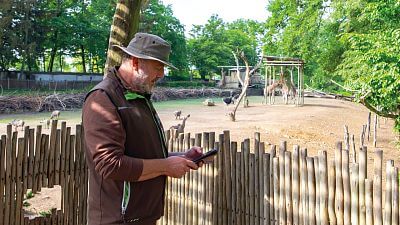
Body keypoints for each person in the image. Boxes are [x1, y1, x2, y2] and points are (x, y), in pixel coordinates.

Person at [83, 33, 205, 225]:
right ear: (136, 62)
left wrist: (181, 157)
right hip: (116, 220)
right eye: (158, 67)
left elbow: (142, 153)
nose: (162, 75)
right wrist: (166, 166)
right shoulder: (103, 97)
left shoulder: (138, 95)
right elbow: (109, 164)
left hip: (141, 217)